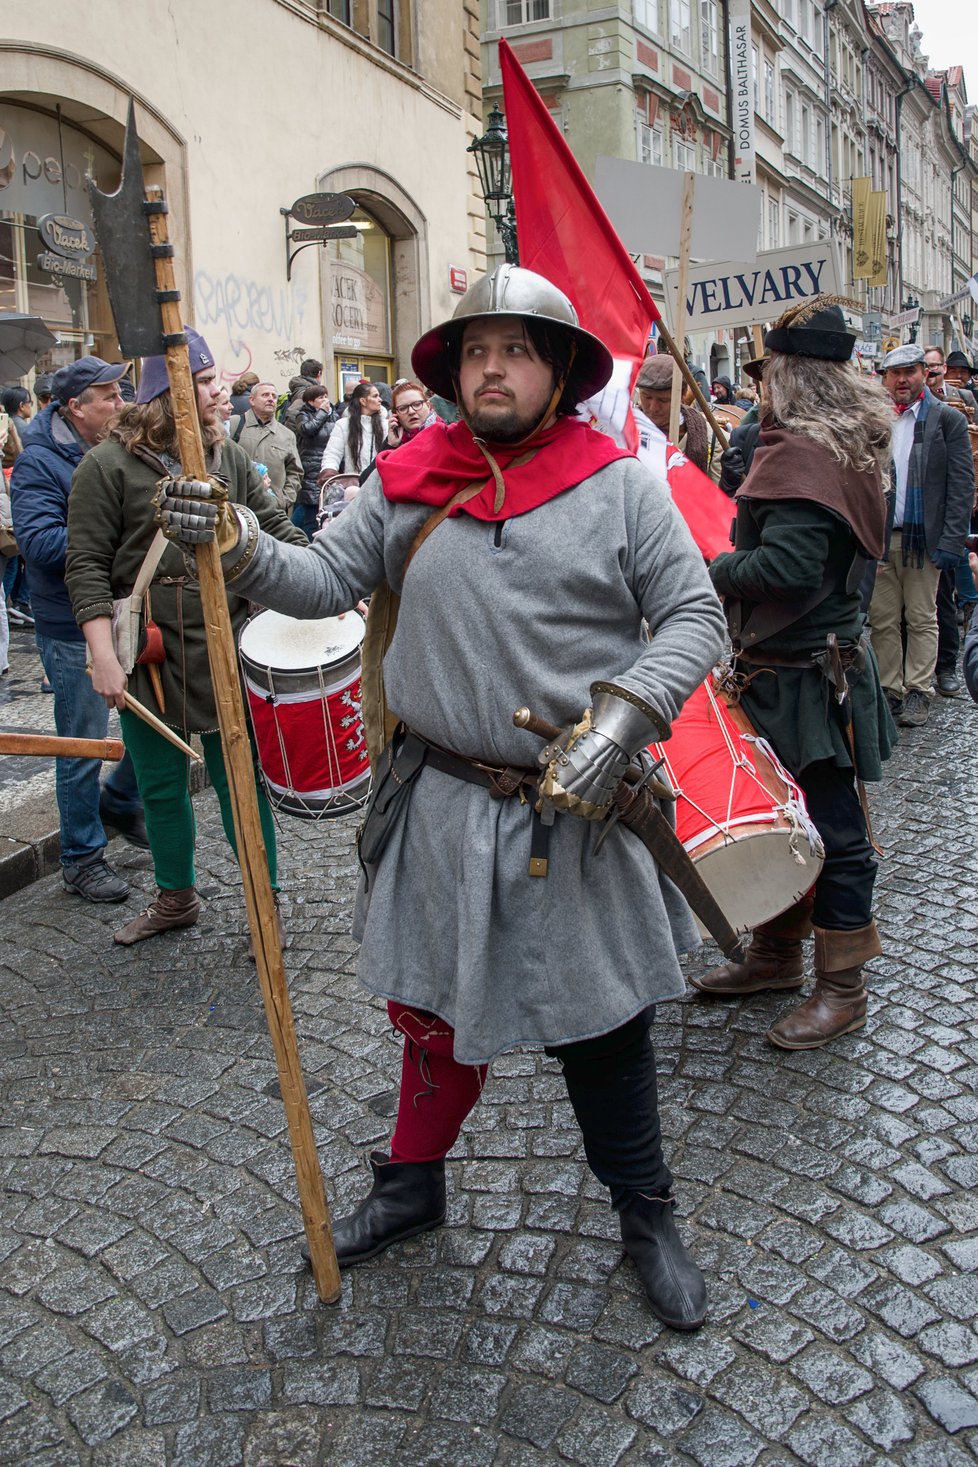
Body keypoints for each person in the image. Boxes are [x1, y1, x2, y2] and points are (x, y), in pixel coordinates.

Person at [153, 265, 727, 1332]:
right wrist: (234, 538)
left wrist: (620, 722)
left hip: (576, 810)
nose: (492, 370)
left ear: (556, 371)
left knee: (602, 1030)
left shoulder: (619, 488)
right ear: (454, 371)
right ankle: (413, 1185)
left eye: (514, 351)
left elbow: (695, 619)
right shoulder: (410, 477)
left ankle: (647, 1214)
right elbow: (321, 581)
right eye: (475, 352)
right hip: (442, 802)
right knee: (429, 1019)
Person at [693, 298, 897, 1050]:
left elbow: (789, 566)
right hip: (790, 670)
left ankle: (842, 985)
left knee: (837, 834)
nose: (761, 388)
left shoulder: (806, 455)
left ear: (790, 376)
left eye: (769, 374)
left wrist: (715, 562)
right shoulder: (824, 446)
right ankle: (777, 954)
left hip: (810, 679)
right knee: (785, 821)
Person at [65, 329, 307, 945]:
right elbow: (88, 565)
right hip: (148, 653)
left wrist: (324, 582)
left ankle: (265, 905)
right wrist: (102, 658)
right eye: (203, 381)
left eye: (214, 378)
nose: (218, 390)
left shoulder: (226, 456)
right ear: (163, 393)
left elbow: (276, 525)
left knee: (240, 781)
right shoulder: (106, 465)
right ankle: (176, 898)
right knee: (159, 783)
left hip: (226, 644)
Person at [10, 355, 148, 900]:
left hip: (124, 612)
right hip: (68, 623)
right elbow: (38, 544)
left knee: (157, 718)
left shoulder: (114, 447)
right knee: (82, 742)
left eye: (122, 392)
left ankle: (119, 797)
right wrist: (112, 535)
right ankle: (81, 857)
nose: (122, 404)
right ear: (75, 407)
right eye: (110, 397)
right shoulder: (39, 462)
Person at [868, 343, 974, 724]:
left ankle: (918, 690)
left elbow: (961, 487)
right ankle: (889, 689)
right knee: (882, 620)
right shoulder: (875, 419)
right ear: (885, 379)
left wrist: (951, 541)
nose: (901, 380)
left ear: (923, 374)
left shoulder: (947, 420)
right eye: (894, 374)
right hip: (882, 537)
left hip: (923, 538)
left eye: (908, 372)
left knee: (921, 617)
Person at [228, 382, 303, 512]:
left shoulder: (287, 435)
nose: (270, 399)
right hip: (239, 508)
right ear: (252, 400)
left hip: (272, 510)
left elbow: (295, 473)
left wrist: (284, 500)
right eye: (265, 395)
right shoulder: (234, 424)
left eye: (274, 396)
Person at [635, 356, 710, 474]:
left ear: (683, 393)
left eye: (663, 400)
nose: (653, 408)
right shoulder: (624, 433)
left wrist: (728, 482)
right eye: (647, 397)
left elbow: (717, 489)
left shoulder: (709, 437)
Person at [293, 384, 339, 538]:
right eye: (321, 397)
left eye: (326, 396)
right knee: (311, 512)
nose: (325, 400)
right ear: (310, 401)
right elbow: (307, 429)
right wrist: (321, 413)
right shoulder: (303, 414)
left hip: (328, 467)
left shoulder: (333, 414)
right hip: (311, 467)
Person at [320, 381, 388, 478]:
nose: (380, 400)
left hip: (380, 484)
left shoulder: (386, 425)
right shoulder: (343, 425)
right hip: (353, 485)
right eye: (375, 396)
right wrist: (329, 473)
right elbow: (332, 454)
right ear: (363, 401)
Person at [384, 380, 436, 449]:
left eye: (417, 404)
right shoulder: (392, 440)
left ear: (428, 405)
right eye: (403, 408)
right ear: (396, 415)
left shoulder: (444, 435)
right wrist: (390, 445)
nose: (411, 412)